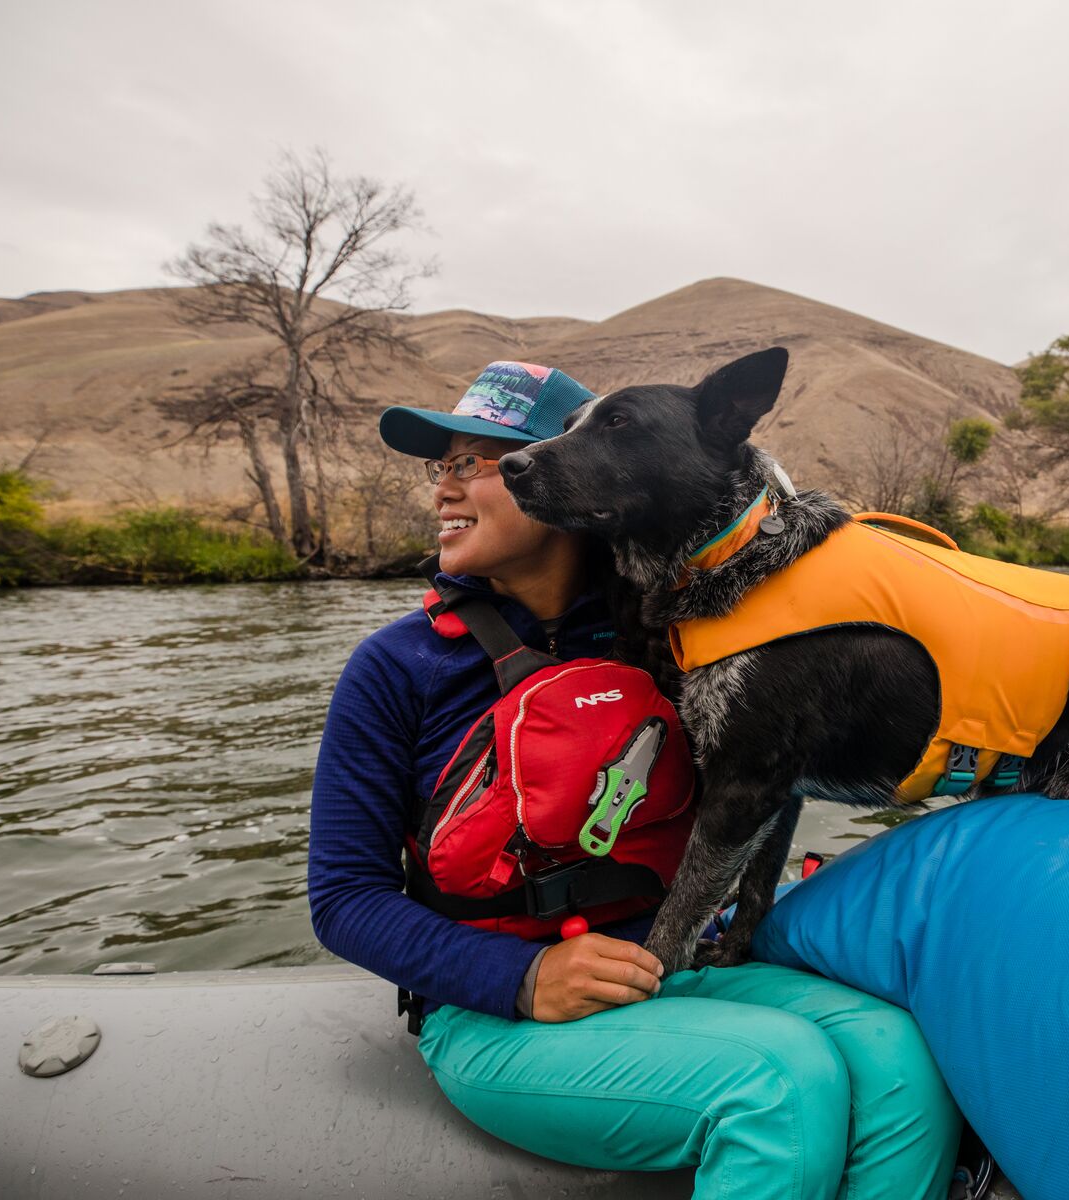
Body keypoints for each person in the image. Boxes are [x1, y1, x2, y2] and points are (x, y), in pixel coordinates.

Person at [308, 361, 960, 1200]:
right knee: (779, 1084)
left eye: (477, 462)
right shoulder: (396, 666)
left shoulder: (675, 641)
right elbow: (343, 899)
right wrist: (523, 979)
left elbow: (766, 776)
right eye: (445, 466)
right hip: (492, 1010)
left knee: (901, 1059)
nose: (447, 489)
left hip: (664, 966)